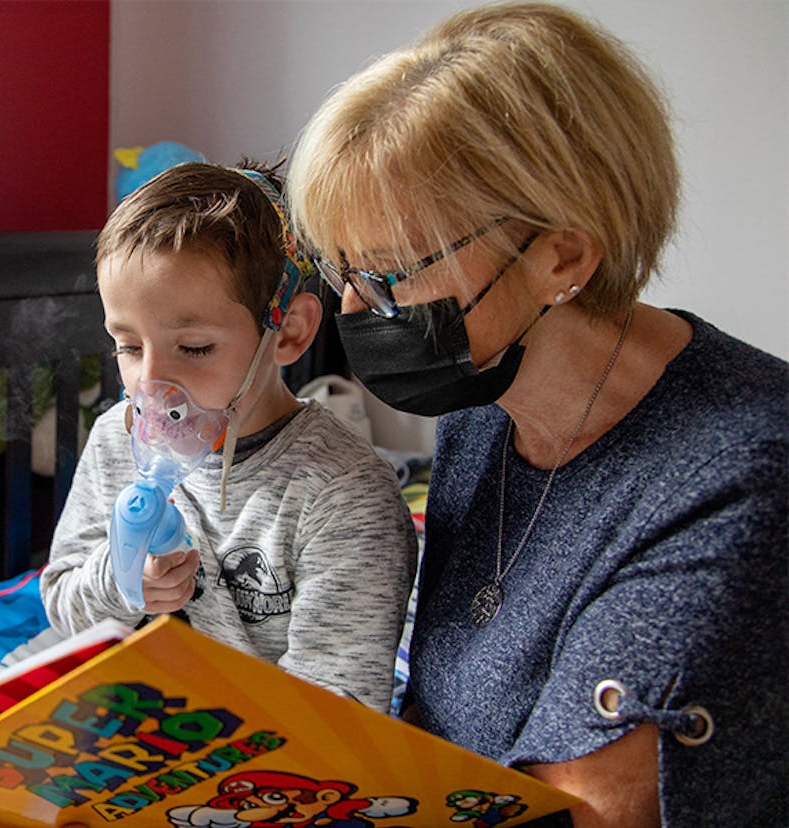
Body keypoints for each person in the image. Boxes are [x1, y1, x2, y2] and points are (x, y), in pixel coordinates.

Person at [286, 3, 787, 824]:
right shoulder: (484, 406)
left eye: (388, 276)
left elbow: (580, 814)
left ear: (562, 256)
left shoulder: (741, 475)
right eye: (343, 270)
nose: (351, 308)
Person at [40, 161, 417, 714]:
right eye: (127, 346)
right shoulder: (114, 443)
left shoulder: (343, 494)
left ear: (288, 332)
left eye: (193, 348)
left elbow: (338, 708)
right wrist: (120, 583)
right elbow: (61, 603)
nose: (151, 383)